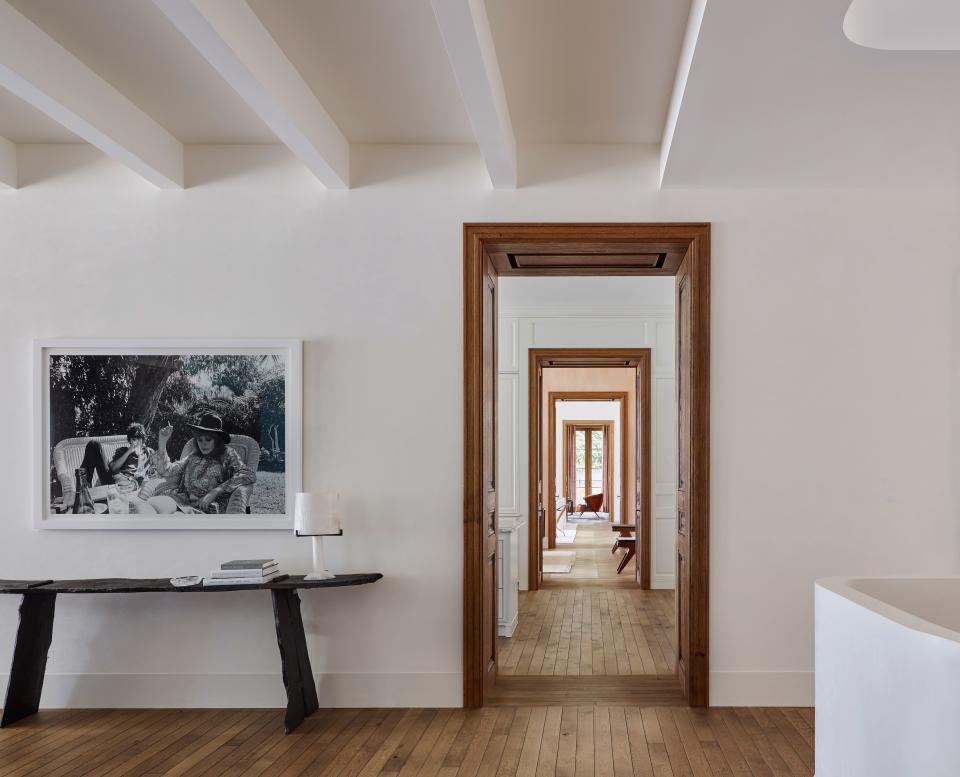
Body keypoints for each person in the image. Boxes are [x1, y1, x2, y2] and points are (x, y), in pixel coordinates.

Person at [147, 413, 256, 514]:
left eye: (208, 440)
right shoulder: (194, 455)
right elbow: (167, 471)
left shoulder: (228, 454)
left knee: (172, 520)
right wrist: (162, 442)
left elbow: (248, 474)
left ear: (217, 440)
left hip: (207, 507)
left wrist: (215, 491)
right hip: (181, 500)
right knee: (150, 505)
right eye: (200, 440)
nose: (203, 444)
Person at [79, 422, 156, 496]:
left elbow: (155, 470)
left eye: (139, 439)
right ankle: (83, 485)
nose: (137, 442)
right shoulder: (123, 451)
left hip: (130, 484)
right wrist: (128, 452)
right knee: (93, 444)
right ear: (130, 441)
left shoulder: (149, 452)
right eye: (134, 439)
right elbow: (113, 469)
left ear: (142, 440)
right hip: (113, 480)